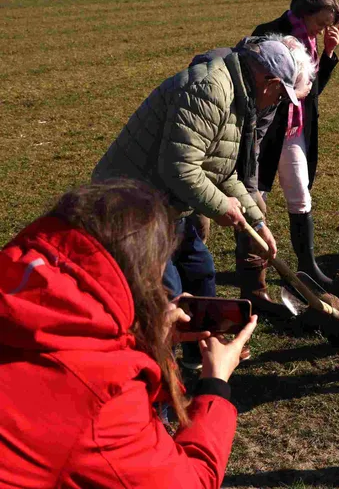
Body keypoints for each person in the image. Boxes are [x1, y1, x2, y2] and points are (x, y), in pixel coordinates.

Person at [0, 180, 257, 488]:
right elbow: (190, 483)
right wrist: (215, 385)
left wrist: (141, 336)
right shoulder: (105, 398)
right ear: (143, 277)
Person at [92, 37, 304, 367]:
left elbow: (220, 169)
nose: (277, 100)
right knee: (169, 292)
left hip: (167, 205)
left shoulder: (239, 95)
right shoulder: (210, 89)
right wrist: (222, 207)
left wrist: (256, 223)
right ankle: (159, 374)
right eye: (279, 92)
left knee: (201, 271)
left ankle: (199, 354)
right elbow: (179, 167)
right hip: (132, 205)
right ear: (269, 81)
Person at [187, 35, 315, 316]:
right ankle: (189, 293)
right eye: (285, 96)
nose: (285, 104)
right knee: (196, 226)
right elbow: (189, 159)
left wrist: (253, 208)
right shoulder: (216, 80)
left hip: (223, 160)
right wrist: (219, 200)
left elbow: (250, 146)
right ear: (275, 79)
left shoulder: (269, 96)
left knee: (255, 205)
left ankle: (255, 293)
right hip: (192, 160)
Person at [248, 0, 339, 294]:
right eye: (321, 22)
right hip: (264, 133)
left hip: (295, 132)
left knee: (301, 196)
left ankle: (307, 268)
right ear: (304, 14)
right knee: (255, 199)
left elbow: (310, 93)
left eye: (329, 24)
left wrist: (327, 54)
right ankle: (253, 281)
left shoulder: (313, 41)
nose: (323, 30)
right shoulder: (268, 33)